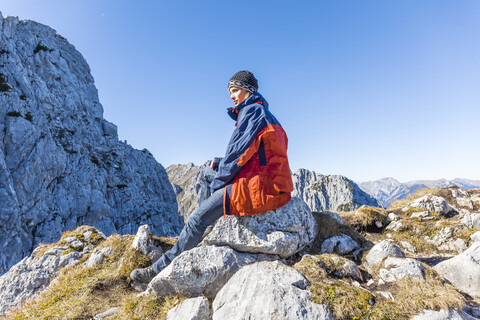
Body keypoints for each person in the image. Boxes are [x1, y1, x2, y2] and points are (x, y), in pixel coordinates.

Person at [130, 70, 293, 284]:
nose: (232, 96)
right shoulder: (261, 112)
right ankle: (207, 227)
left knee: (196, 219)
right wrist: (218, 162)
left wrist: (220, 184)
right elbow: (250, 152)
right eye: (230, 92)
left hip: (257, 186)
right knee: (207, 172)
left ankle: (158, 270)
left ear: (248, 90)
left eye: (235, 90)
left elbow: (237, 157)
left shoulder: (252, 113)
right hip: (262, 178)